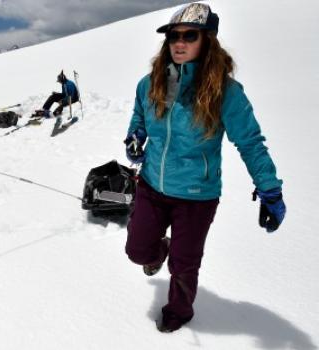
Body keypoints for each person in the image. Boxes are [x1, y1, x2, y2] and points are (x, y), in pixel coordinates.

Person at [123, 3, 286, 333]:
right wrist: (135, 136)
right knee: (138, 251)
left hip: (197, 195)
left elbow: (251, 143)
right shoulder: (150, 83)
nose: (179, 43)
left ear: (207, 40)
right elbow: (140, 115)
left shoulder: (225, 93)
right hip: (152, 185)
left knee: (184, 265)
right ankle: (159, 249)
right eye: (173, 37)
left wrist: (269, 187)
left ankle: (179, 312)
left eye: (189, 36)